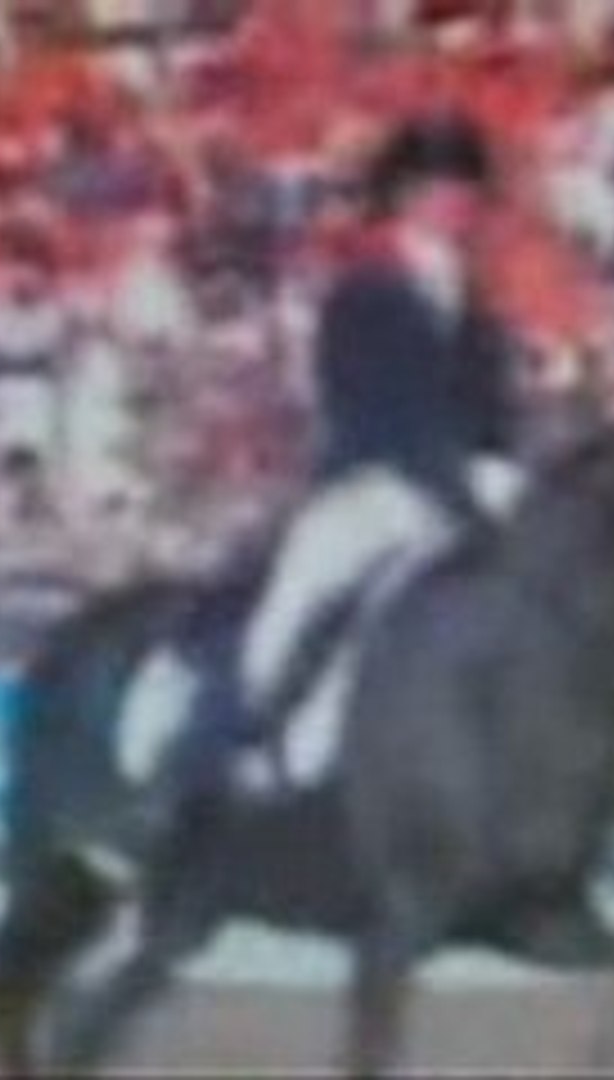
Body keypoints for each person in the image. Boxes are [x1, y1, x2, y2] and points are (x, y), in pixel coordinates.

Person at [231, 110, 523, 756]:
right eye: (441, 189)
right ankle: (259, 732)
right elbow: (379, 411)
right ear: (407, 196)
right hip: (376, 479)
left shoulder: (476, 301)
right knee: (301, 595)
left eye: (466, 191)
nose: (457, 204)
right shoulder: (362, 289)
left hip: (467, 477)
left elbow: (494, 410)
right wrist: (455, 493)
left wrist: (502, 471)